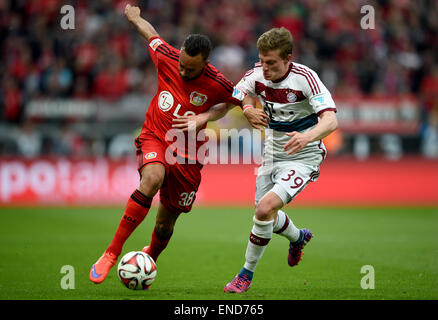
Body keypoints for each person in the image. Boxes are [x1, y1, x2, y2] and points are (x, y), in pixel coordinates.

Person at [89, 4, 267, 286]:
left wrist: (210, 117)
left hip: (189, 154)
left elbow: (238, 98)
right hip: (156, 136)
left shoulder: (216, 81)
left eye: (190, 68)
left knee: (165, 223)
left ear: (205, 62)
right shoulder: (167, 57)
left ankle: (150, 259)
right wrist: (135, 17)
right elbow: (151, 34)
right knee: (152, 178)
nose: (183, 71)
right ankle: (112, 252)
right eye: (182, 64)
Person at [223, 27, 338, 293]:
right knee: (264, 216)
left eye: (271, 62)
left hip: (304, 155)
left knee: (264, 210)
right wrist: (248, 108)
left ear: (288, 58)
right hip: (271, 152)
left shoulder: (306, 79)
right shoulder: (256, 75)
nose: (265, 68)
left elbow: (331, 119)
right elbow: (237, 95)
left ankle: (245, 275)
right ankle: (298, 237)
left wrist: (308, 137)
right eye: (262, 60)